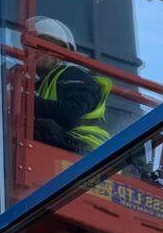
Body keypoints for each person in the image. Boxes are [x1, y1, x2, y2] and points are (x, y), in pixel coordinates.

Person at [25, 16, 112, 155]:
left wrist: (26, 102)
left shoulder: (73, 73)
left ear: (61, 51)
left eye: (43, 46)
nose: (35, 52)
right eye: (32, 47)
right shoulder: (42, 84)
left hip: (86, 148)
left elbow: (70, 114)